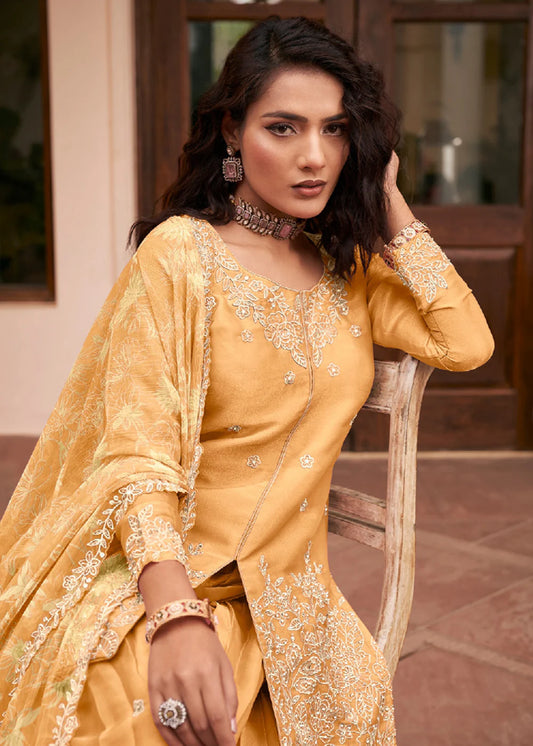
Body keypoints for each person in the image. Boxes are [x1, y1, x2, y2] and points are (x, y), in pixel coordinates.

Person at [0, 16, 494, 746]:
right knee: (138, 715)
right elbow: (137, 451)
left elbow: (466, 343)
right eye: (283, 128)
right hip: (164, 578)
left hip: (293, 604)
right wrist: (174, 617)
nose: (314, 157)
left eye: (335, 130)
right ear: (232, 131)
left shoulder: (349, 271)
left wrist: (390, 204)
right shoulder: (182, 256)